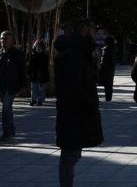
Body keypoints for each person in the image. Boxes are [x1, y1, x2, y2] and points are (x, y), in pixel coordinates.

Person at [55, 19, 103, 187]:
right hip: (73, 112)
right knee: (69, 156)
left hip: (75, 111)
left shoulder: (79, 50)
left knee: (72, 155)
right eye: (93, 31)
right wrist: (89, 102)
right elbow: (75, 85)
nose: (95, 34)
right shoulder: (75, 53)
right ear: (85, 30)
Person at [0, 30, 26, 140]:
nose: (2, 41)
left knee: (5, 108)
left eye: (5, 39)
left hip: (12, 85)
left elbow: (23, 71)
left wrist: (24, 86)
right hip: (1, 85)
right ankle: (11, 130)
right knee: (7, 108)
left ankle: (6, 132)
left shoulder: (18, 54)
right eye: (1, 38)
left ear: (12, 41)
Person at [27, 39, 49, 106]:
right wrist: (29, 73)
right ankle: (33, 100)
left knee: (41, 89)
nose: (38, 48)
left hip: (42, 75)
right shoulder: (33, 55)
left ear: (42, 48)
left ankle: (40, 101)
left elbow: (45, 65)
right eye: (37, 47)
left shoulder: (45, 55)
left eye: (39, 47)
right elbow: (30, 65)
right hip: (34, 74)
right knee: (33, 88)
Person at [98, 36, 116, 102]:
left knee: (107, 84)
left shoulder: (106, 49)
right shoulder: (113, 49)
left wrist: (100, 68)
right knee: (109, 84)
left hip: (105, 69)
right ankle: (109, 97)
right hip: (111, 69)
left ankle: (108, 98)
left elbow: (103, 60)